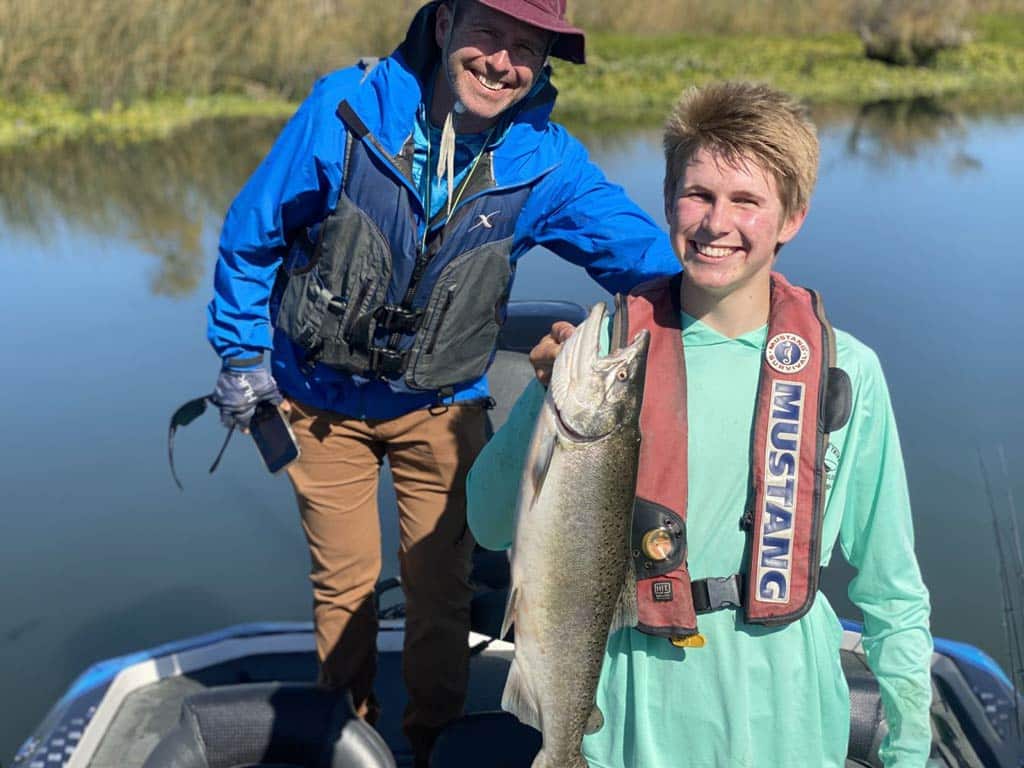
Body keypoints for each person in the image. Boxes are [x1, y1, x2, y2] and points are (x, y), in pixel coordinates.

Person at [204, 1, 679, 764]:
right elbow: (253, 232)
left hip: (442, 407)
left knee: (440, 596)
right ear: (444, 26)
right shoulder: (346, 110)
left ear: (544, 62)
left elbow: (652, 263)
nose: (500, 62)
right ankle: (346, 736)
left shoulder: (545, 162)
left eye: (525, 47)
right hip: (319, 403)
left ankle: (432, 745)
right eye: (487, 34)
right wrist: (239, 357)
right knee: (347, 588)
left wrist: (742, 307)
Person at [467, 81, 934, 767]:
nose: (717, 224)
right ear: (667, 201)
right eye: (699, 195)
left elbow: (893, 588)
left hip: (790, 720)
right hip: (626, 719)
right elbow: (486, 520)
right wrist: (545, 397)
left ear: (792, 217)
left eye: (748, 201)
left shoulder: (846, 371)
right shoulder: (605, 354)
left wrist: (910, 746)